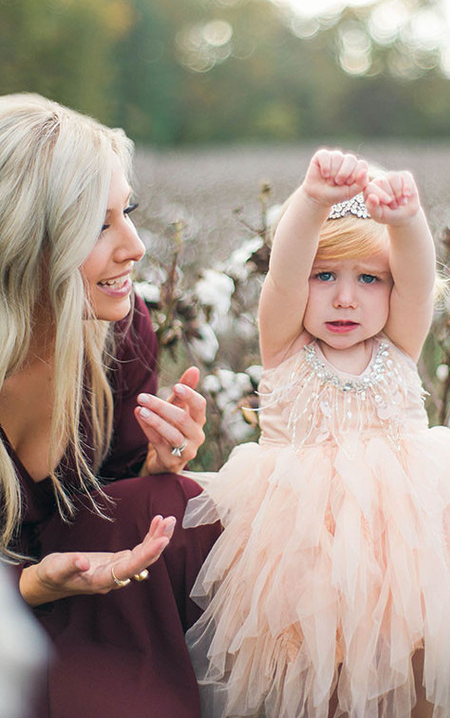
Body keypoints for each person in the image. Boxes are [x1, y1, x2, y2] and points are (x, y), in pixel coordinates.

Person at [183, 148, 450, 718]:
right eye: (324, 276)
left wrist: (407, 220)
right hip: (303, 548)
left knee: (420, 666)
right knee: (317, 675)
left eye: (369, 278)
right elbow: (283, 273)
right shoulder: (285, 345)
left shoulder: (398, 340)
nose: (345, 297)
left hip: (412, 547)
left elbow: (420, 282)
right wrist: (311, 200)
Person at [0, 93, 219, 718]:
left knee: (178, 505)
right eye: (99, 226)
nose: (135, 247)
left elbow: (113, 498)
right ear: (20, 239)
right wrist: (35, 583)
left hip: (82, 599)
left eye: (128, 213)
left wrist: (153, 467)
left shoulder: (119, 334)